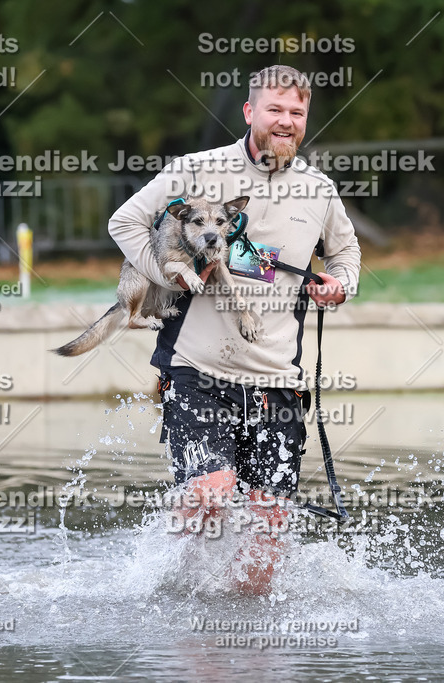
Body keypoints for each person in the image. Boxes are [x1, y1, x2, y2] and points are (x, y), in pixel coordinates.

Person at [108, 65, 361, 594]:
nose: (286, 122)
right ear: (250, 112)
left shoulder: (318, 188)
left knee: (268, 535)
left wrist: (339, 283)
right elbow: (123, 223)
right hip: (198, 368)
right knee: (212, 492)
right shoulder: (197, 169)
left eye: (297, 113)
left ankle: (245, 646)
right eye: (275, 110)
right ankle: (165, 586)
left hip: (277, 379)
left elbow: (345, 253)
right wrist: (171, 274)